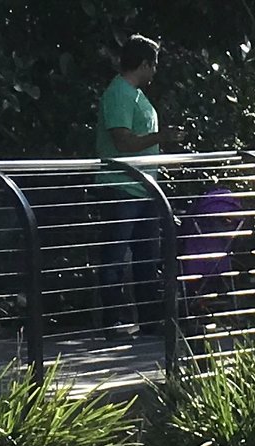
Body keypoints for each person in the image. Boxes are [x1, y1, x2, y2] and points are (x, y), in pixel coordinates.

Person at [97, 35, 163, 335]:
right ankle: (112, 321)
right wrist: (162, 138)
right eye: (154, 65)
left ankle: (150, 321)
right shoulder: (119, 93)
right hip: (120, 187)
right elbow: (121, 140)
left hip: (144, 189)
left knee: (147, 256)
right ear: (144, 63)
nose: (156, 72)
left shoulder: (138, 95)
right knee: (114, 257)